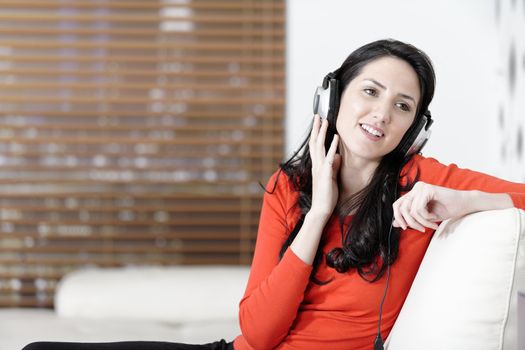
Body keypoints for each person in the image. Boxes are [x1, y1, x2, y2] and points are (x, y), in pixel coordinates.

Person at [23, 39, 525, 350]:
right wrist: (319, 213)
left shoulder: (425, 180)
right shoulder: (291, 185)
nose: (382, 114)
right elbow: (258, 335)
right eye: (369, 92)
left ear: (415, 129)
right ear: (333, 97)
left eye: (402, 106)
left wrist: (464, 202)